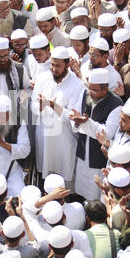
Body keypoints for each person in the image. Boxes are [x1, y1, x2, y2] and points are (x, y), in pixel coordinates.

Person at [32, 46, 84, 190]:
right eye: (52, 65)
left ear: (67, 65)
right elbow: (33, 107)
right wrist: (42, 106)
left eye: (58, 66)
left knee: (63, 179)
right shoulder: (42, 79)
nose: (54, 69)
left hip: (64, 139)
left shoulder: (77, 85)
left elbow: (73, 116)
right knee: (45, 176)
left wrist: (54, 106)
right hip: (44, 136)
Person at [69, 69, 123, 201]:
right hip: (83, 151)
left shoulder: (116, 104)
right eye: (89, 88)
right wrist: (76, 121)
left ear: (105, 89)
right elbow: (74, 115)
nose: (90, 93)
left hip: (98, 157)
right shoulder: (85, 94)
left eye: (94, 90)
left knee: (94, 192)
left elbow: (107, 132)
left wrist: (87, 122)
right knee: (81, 187)